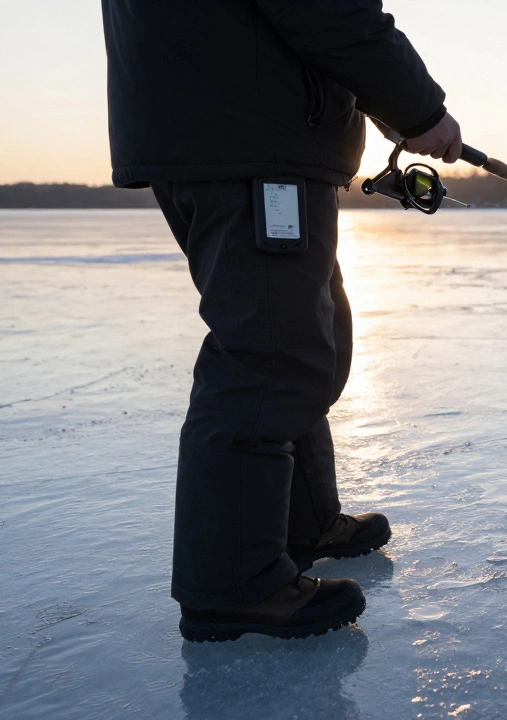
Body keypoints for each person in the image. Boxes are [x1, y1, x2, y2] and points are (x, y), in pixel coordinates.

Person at [101, 0, 463, 642]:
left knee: (309, 338)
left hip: (244, 135)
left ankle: (303, 523)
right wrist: (421, 110)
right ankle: (234, 584)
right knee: (271, 355)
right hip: (249, 140)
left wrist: (386, 109)